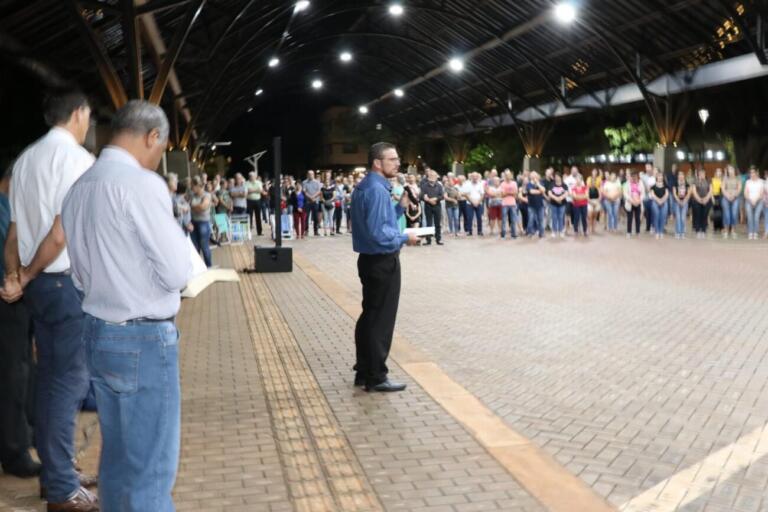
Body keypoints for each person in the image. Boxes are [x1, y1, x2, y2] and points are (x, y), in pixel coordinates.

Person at [61, 100, 191, 512]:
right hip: (143, 337)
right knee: (150, 470)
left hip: (98, 330)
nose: (157, 159)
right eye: (161, 148)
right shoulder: (140, 185)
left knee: (118, 460)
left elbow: (78, 275)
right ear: (152, 136)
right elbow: (176, 272)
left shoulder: (79, 187)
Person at [1, 88, 99, 512]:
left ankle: (56, 471)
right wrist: (31, 271)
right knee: (68, 382)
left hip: (39, 288)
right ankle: (60, 487)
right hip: (61, 283)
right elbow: (61, 232)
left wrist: (16, 276)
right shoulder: (76, 160)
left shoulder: (24, 161)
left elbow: (14, 234)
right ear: (78, 114)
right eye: (89, 117)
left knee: (48, 380)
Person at [351, 142, 419, 392]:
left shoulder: (367, 186)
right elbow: (380, 233)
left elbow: (380, 220)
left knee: (369, 316)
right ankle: (376, 376)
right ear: (377, 163)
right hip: (382, 260)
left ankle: (364, 370)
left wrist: (400, 206)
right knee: (381, 319)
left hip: (369, 260)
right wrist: (405, 237)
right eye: (392, 159)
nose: (397, 163)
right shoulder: (377, 190)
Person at [0, 161, 40, 480]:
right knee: (14, 375)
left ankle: (22, 439)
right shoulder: (4, 210)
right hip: (7, 302)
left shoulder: (8, 208)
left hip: (16, 301)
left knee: (22, 372)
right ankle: (15, 451)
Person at [190, 176, 212, 267]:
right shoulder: (192, 195)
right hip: (193, 223)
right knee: (195, 248)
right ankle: (199, 268)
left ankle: (209, 267)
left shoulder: (207, 195)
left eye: (193, 186)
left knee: (204, 247)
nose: (191, 188)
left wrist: (192, 207)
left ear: (198, 186)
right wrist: (196, 207)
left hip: (203, 223)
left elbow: (203, 207)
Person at [421, 169, 444, 245]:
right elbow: (421, 196)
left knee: (438, 223)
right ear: (428, 177)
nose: (432, 177)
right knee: (429, 223)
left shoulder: (439, 186)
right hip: (428, 206)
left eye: (434, 175)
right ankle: (428, 240)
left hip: (437, 206)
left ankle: (438, 239)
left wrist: (436, 199)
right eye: (431, 175)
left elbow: (442, 196)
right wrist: (428, 200)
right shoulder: (424, 186)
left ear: (436, 177)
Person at [743, 168, 765, 240]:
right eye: (751, 173)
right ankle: (750, 232)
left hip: (759, 200)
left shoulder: (761, 181)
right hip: (749, 200)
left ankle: (755, 232)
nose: (752, 174)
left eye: (753, 173)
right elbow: (745, 193)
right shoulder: (748, 182)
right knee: (749, 216)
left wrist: (755, 200)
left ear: (756, 173)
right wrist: (750, 200)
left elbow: (762, 193)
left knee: (756, 216)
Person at [720, 165, 741, 239]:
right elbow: (722, 188)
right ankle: (726, 230)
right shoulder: (725, 178)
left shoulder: (738, 178)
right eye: (729, 169)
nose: (730, 170)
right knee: (727, 213)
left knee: (734, 213)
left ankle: (733, 230)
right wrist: (727, 196)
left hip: (735, 197)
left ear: (734, 170)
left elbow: (739, 188)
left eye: (731, 169)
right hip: (726, 197)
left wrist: (734, 196)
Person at [691, 169, 712, 238]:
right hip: (697, 200)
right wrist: (699, 199)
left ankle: (703, 230)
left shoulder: (708, 180)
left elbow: (710, 191)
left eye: (703, 174)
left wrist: (706, 199)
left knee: (704, 215)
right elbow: (694, 191)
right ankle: (697, 230)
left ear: (705, 174)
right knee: (698, 214)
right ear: (698, 174)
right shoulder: (695, 181)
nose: (702, 175)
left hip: (706, 200)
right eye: (700, 174)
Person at [623, 171, 644, 238]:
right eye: (633, 176)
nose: (634, 178)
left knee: (637, 218)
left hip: (638, 202)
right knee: (630, 218)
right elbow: (625, 194)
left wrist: (639, 200)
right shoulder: (627, 184)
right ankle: (629, 232)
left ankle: (638, 232)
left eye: (635, 176)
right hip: (630, 203)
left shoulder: (640, 183)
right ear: (631, 177)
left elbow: (643, 193)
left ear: (637, 177)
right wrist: (632, 201)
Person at [526, 172, 546, 238]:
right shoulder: (528, 184)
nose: (535, 177)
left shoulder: (540, 183)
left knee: (541, 220)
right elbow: (531, 192)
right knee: (531, 219)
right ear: (530, 176)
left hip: (540, 205)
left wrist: (538, 184)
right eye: (533, 175)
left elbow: (543, 190)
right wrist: (540, 191)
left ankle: (541, 233)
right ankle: (530, 233)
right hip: (531, 205)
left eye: (536, 175)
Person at [672, 171, 691, 239]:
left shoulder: (687, 184)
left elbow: (689, 194)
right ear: (678, 176)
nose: (681, 176)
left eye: (682, 175)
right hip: (677, 202)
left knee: (683, 217)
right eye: (679, 175)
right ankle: (678, 232)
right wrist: (679, 201)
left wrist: (684, 201)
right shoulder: (675, 183)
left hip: (685, 202)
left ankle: (682, 232)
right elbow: (674, 193)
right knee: (678, 217)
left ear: (684, 176)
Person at [499, 171, 518, 239]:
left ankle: (513, 234)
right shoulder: (502, 184)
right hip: (504, 204)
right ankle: (503, 234)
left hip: (512, 203)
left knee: (513, 220)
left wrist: (507, 193)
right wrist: (510, 193)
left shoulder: (514, 183)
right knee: (504, 220)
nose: (508, 176)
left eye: (509, 175)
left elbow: (515, 194)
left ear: (511, 176)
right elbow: (502, 194)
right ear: (505, 176)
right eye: (506, 175)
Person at [650, 173, 669, 240]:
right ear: (656, 177)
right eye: (658, 176)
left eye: (661, 176)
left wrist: (662, 200)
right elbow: (652, 194)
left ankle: (661, 232)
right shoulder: (653, 186)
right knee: (656, 216)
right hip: (655, 202)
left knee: (663, 217)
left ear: (662, 177)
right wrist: (658, 200)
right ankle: (657, 232)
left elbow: (667, 194)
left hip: (664, 202)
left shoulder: (666, 186)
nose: (660, 177)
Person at [548, 173, 568, 238]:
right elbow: (549, 193)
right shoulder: (552, 184)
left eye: (558, 176)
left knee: (561, 217)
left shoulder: (564, 185)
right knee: (554, 217)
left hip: (562, 204)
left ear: (560, 177)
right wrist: (556, 198)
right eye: (556, 177)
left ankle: (561, 231)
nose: (557, 178)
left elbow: (566, 193)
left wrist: (560, 198)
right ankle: (554, 231)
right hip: (553, 204)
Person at [302, 170, 322, 236]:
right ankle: (306, 230)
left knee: (315, 217)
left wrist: (313, 197)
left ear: (314, 175)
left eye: (312, 174)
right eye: (309, 174)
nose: (311, 175)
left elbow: (319, 191)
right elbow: (304, 192)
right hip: (307, 202)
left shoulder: (317, 182)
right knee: (306, 217)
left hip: (315, 201)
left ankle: (315, 231)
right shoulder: (304, 182)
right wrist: (310, 197)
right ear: (307, 175)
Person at [245, 172, 263, 236]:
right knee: (249, 217)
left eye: (252, 176)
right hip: (249, 201)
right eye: (250, 176)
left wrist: (251, 190)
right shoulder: (246, 183)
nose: (251, 177)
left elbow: (260, 190)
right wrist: (256, 190)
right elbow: (247, 191)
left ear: (255, 177)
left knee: (258, 217)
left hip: (257, 201)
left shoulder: (259, 182)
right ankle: (248, 232)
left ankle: (259, 232)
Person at [587, 170, 602, 234]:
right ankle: (589, 228)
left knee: (595, 216)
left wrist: (597, 202)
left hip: (596, 202)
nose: (593, 183)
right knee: (590, 216)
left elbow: (600, 196)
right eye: (592, 182)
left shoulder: (597, 188)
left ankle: (593, 228)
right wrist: (591, 203)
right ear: (590, 182)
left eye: (594, 182)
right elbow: (587, 197)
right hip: (590, 202)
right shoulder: (588, 188)